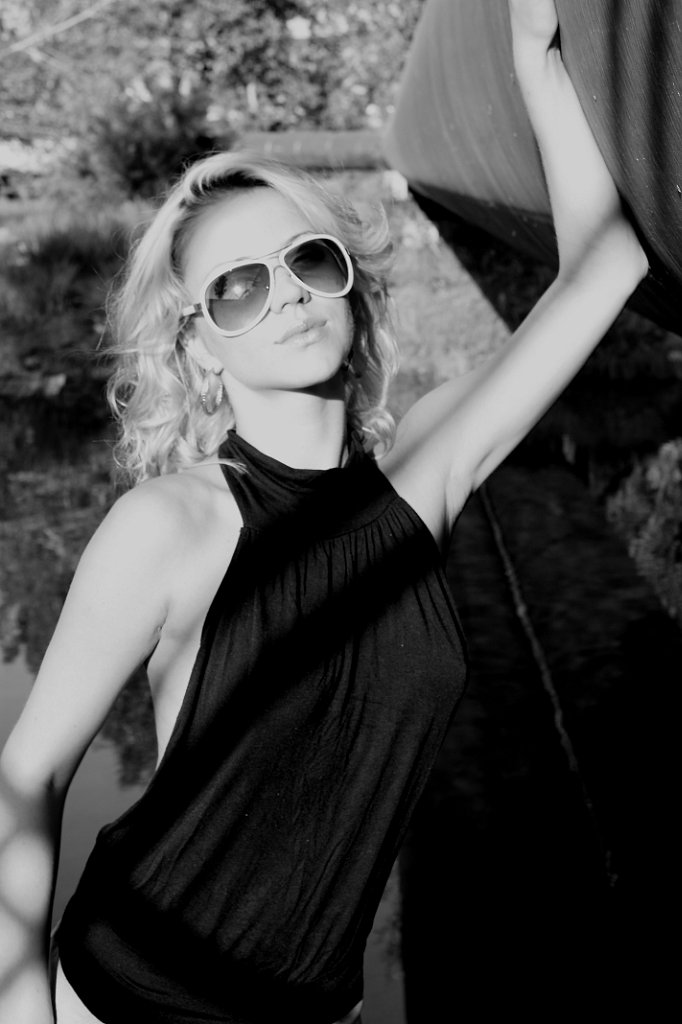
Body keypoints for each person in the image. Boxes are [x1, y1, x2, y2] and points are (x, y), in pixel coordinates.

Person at [0, 1, 648, 1021]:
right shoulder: (170, 525)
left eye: (309, 260)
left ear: (349, 284)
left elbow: (606, 268)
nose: (288, 294)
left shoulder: (423, 476)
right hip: (132, 995)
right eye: (239, 288)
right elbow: (29, 772)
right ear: (200, 345)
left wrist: (537, 55)